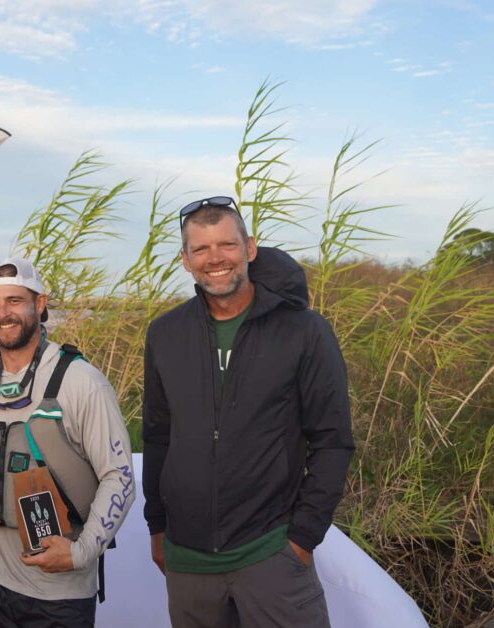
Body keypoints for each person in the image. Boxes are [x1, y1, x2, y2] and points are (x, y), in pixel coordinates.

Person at [141, 196, 355, 627]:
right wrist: (157, 525)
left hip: (271, 552)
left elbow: (332, 440)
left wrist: (301, 538)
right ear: (185, 260)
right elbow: (158, 435)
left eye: (226, 245)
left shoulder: (305, 331)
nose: (214, 258)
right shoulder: (165, 334)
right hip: (188, 562)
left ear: (250, 249)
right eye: (200, 249)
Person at [0, 257, 135, 628]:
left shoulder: (81, 381)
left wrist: (81, 553)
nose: (3, 313)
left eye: (15, 300)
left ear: (40, 304)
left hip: (60, 594)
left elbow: (119, 476)